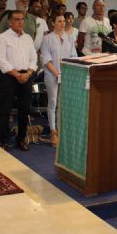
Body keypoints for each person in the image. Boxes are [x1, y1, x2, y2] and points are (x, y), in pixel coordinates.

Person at [0, 10, 37, 152]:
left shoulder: (28, 38)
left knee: (24, 110)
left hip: (26, 76)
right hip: (9, 76)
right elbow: (0, 59)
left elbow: (34, 58)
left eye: (22, 19)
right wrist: (17, 74)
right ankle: (4, 140)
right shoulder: (2, 37)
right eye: (17, 19)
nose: (20, 22)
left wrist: (29, 72)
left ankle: (21, 139)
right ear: (10, 22)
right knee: (6, 110)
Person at [41, 13, 77, 146]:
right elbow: (46, 59)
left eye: (64, 21)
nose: (63, 23)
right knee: (53, 102)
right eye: (60, 21)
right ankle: (53, 131)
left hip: (66, 75)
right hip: (51, 75)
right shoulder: (47, 38)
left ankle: (62, 131)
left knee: (63, 103)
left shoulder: (69, 38)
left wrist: (67, 71)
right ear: (53, 23)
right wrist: (57, 73)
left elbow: (73, 56)